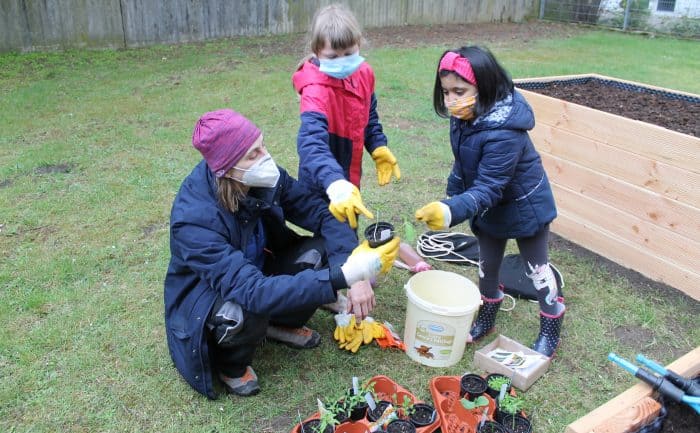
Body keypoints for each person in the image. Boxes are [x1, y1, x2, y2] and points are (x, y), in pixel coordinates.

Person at [164, 109, 400, 399]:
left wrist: (354, 271)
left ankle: (279, 323)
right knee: (243, 308)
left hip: (258, 271)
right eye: (253, 154)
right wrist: (345, 274)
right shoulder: (194, 221)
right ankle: (232, 366)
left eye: (262, 145)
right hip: (217, 295)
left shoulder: (263, 177)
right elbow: (251, 290)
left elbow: (323, 215)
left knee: (321, 251)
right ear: (226, 168)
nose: (265, 157)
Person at [414, 46, 565, 358]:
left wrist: (452, 209)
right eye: (445, 92)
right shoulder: (465, 115)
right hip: (488, 206)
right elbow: (463, 165)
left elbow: (489, 186)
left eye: (459, 90)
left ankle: (551, 326)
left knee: (537, 269)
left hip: (525, 206)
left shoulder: (504, 132)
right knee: (488, 266)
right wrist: (451, 198)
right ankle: (487, 317)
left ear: (483, 87)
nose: (451, 100)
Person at [292, 3, 401, 318]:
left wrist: (378, 146)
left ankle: (343, 274)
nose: (342, 62)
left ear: (359, 46)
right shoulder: (315, 88)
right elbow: (311, 144)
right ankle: (333, 285)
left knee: (343, 225)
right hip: (322, 175)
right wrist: (335, 182)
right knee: (333, 226)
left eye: (348, 54)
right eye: (332, 57)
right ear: (316, 52)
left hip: (348, 172)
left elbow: (370, 116)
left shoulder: (363, 73)